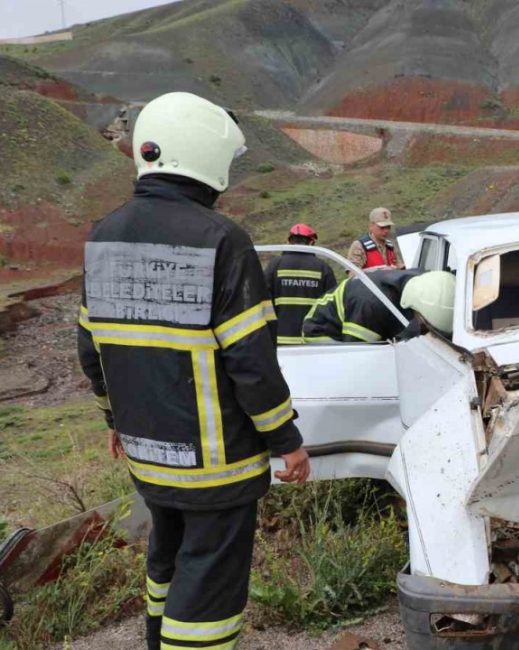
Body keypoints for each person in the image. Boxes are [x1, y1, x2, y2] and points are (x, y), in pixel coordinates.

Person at [76, 92, 310, 650]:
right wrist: (287, 441)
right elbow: (251, 362)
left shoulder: (104, 235)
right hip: (215, 464)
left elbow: (92, 349)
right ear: (206, 157)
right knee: (209, 588)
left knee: (168, 559)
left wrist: (114, 419)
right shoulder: (221, 239)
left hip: (146, 451)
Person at [303, 270, 455, 343]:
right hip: (322, 331)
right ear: (414, 307)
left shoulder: (425, 284)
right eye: (425, 325)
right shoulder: (371, 305)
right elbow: (355, 354)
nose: (425, 330)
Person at [264, 223, 337, 344]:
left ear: (288, 241)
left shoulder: (274, 265)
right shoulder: (323, 268)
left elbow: (263, 299)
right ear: (311, 243)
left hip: (280, 340)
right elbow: (332, 306)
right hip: (310, 341)